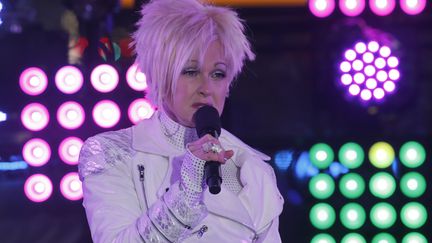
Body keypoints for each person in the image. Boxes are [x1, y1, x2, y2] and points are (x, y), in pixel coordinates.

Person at [78, 0, 284, 242]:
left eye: (218, 74)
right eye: (190, 71)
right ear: (160, 75)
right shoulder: (112, 152)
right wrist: (187, 192)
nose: (206, 88)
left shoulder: (253, 169)